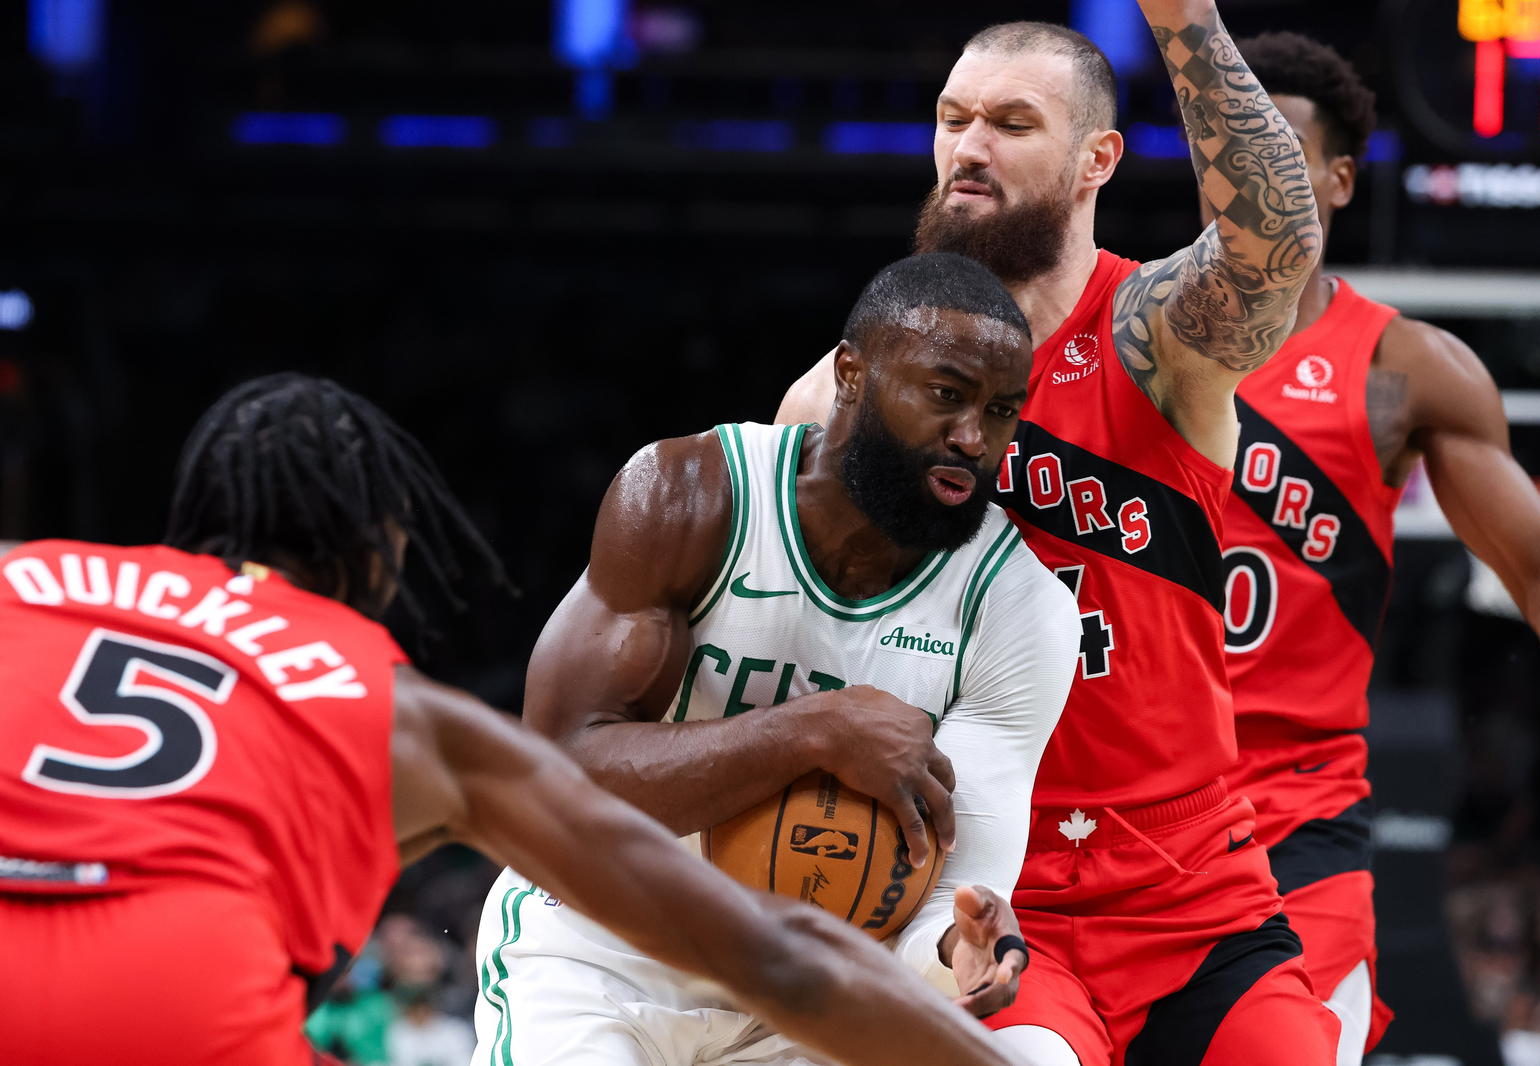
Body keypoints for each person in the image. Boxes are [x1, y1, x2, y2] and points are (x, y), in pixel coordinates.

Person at [0, 373, 1027, 1066]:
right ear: (384, 551)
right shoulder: (397, 708)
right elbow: (775, 960)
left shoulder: (22, 574)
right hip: (178, 995)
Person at [778, 7, 1342, 1065]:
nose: (969, 146)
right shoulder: (837, 401)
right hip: (985, 890)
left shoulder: (1155, 336)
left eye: (1010, 122)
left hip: (1192, 892)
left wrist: (1183, 20)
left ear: (1097, 159)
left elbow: (1275, 244)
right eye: (951, 119)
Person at [474, 253, 1081, 1066]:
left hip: (802, 1002)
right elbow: (546, 784)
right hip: (601, 952)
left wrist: (955, 955)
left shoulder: (1020, 607)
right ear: (852, 375)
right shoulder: (688, 497)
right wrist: (810, 731)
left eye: (1002, 411)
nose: (973, 439)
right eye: (946, 396)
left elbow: (948, 900)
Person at [1213, 32, 1540, 1063]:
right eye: (1226, 146)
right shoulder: (1102, 333)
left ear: (1339, 180)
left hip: (1296, 831)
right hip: (1116, 812)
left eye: (1282, 151)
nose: (1249, 173)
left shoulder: (1400, 370)